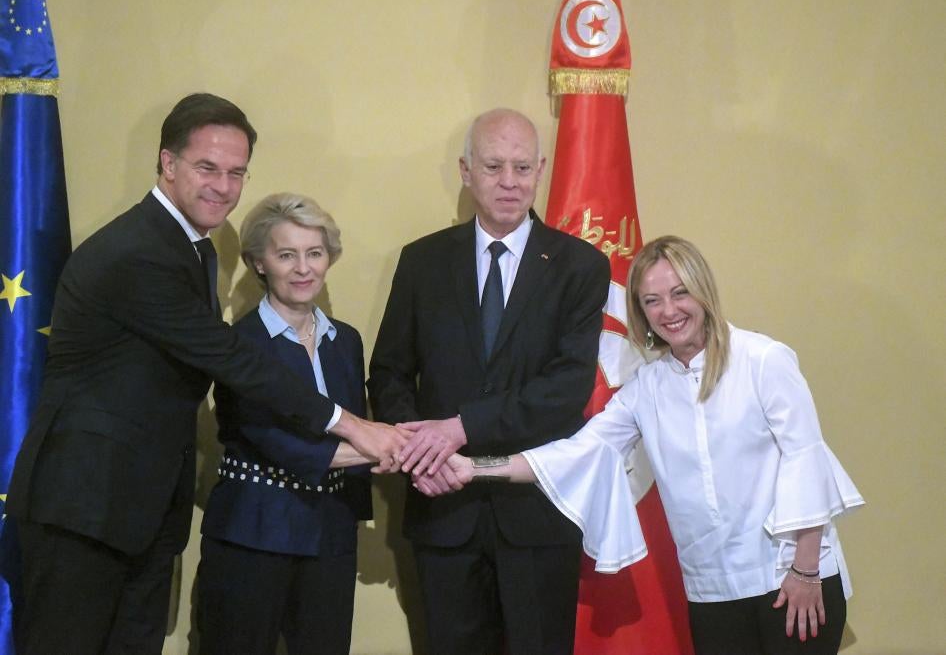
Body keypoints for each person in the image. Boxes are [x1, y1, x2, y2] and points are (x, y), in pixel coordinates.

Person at [6, 94, 405, 655]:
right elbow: (231, 359)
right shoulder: (138, 250)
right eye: (206, 168)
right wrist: (352, 425)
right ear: (168, 163)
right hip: (82, 509)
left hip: (138, 513)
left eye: (236, 172)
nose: (223, 186)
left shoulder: (192, 247)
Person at [420, 235, 865, 655]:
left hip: (790, 577)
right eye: (652, 301)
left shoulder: (764, 360)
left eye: (679, 293)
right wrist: (474, 468)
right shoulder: (645, 388)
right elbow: (575, 454)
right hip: (712, 590)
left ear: (703, 291)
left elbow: (806, 462)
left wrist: (806, 571)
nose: (668, 310)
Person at [368, 108, 611, 655]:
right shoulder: (421, 261)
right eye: (494, 165)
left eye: (522, 167)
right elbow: (389, 372)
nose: (509, 182)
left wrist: (457, 430)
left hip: (536, 518)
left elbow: (566, 390)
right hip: (441, 513)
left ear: (541, 169)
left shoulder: (580, 267)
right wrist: (418, 455)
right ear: (466, 170)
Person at [197, 193, 373, 654]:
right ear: (259, 263)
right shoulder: (238, 345)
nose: (303, 268)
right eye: (286, 254)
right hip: (253, 536)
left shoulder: (346, 341)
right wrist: (392, 447)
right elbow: (276, 442)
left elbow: (360, 425)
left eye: (314, 253)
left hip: (330, 537)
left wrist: (388, 447)